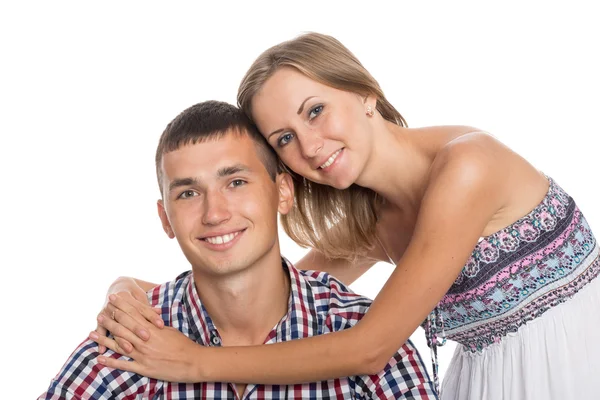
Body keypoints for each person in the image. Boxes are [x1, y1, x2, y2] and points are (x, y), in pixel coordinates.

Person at [93, 33, 600, 399]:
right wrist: (125, 292)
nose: (309, 146)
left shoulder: (469, 166)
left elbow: (371, 347)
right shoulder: (376, 222)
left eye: (315, 111)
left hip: (574, 368)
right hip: (487, 381)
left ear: (364, 94)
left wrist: (196, 363)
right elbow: (275, 288)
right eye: (284, 139)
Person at [40, 100, 437, 399]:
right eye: (189, 193)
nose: (215, 213)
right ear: (165, 219)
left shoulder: (360, 333)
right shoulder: (130, 340)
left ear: (283, 191)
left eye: (236, 182)